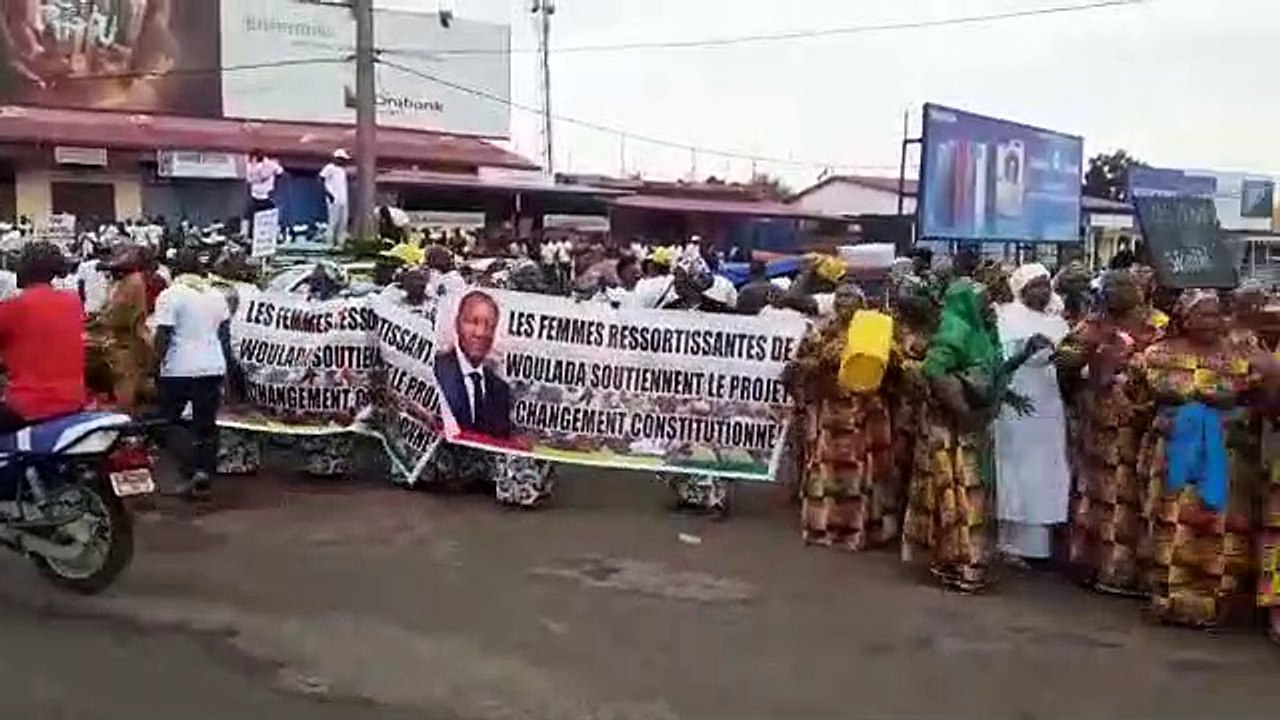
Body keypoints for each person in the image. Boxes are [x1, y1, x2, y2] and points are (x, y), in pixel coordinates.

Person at [902, 279, 1047, 591]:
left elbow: (991, 373)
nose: (989, 305)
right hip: (952, 430)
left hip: (972, 428)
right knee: (960, 494)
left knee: (971, 494)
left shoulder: (980, 331)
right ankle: (962, 563)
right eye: (982, 299)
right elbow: (933, 371)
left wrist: (1023, 355)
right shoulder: (955, 330)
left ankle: (967, 561)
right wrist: (964, 411)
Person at [1135, 290, 1263, 628]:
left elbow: (1256, 400)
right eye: (1203, 314)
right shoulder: (1159, 353)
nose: (1211, 322)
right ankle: (1170, 599)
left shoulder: (1240, 355)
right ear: (1185, 318)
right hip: (1177, 453)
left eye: (1216, 314)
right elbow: (1138, 394)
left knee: (1218, 525)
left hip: (1223, 454)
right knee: (1174, 522)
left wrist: (1234, 414)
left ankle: (1215, 603)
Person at [1057, 270, 1165, 594]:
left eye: (1122, 288)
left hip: (1141, 424)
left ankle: (1131, 570)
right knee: (1099, 493)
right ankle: (1098, 565)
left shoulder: (1157, 325)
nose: (1115, 295)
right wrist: (1087, 353)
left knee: (1135, 495)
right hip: (1100, 423)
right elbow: (1063, 363)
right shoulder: (1093, 324)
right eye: (1109, 290)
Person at [787, 281, 896, 549]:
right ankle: (826, 526)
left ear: (861, 302)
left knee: (858, 471)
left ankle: (856, 530)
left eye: (849, 296)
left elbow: (890, 363)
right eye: (839, 296)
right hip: (832, 411)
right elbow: (809, 359)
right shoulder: (826, 330)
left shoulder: (872, 330)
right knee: (827, 469)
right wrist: (803, 367)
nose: (842, 301)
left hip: (861, 411)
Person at [993, 263, 1071, 564]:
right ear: (1020, 289)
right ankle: (1008, 543)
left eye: (1045, 285)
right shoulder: (1004, 317)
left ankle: (1037, 546)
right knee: (1015, 468)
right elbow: (998, 358)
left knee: (1044, 468)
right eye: (1035, 285)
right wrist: (1025, 350)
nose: (1042, 291)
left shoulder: (1057, 321)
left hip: (1048, 403)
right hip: (1015, 401)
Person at [153, 249, 233, 497]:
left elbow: (163, 335)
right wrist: (228, 370)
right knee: (206, 424)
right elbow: (225, 337)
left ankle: (191, 469)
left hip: (179, 368)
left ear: (174, 270)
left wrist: (154, 365)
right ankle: (204, 474)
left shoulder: (170, 295)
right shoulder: (216, 295)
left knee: (167, 422)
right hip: (212, 366)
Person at [0, 242, 85, 431]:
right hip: (73, 401)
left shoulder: (14, 307)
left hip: (28, 406)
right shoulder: (73, 301)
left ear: (26, 268)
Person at [434, 290, 512, 439]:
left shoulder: (500, 390)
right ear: (457, 324)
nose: (480, 333)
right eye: (473, 322)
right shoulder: (434, 371)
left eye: (489, 326)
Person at [93, 245, 155, 409]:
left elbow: (116, 315)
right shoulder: (127, 282)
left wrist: (99, 319)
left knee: (125, 393)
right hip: (126, 341)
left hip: (126, 343)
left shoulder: (132, 282)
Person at [319, 149, 351, 247]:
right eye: (342, 159)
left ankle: (340, 243)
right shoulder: (329, 168)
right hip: (334, 199)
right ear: (337, 158)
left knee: (343, 222)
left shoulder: (342, 170)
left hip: (343, 199)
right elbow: (320, 179)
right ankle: (330, 243)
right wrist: (328, 193)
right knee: (333, 222)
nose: (343, 162)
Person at [245, 151, 284, 218]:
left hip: (267, 196)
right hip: (255, 197)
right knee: (250, 215)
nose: (253, 162)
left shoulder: (270, 164)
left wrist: (270, 171)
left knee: (270, 215)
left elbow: (280, 171)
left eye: (254, 160)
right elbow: (249, 180)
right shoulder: (249, 166)